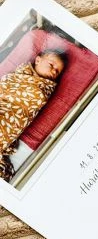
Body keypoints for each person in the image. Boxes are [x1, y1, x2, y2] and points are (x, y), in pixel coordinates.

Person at [0, 49, 66, 180]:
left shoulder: (43, 88)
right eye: (51, 65)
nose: (54, 72)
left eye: (57, 71)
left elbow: (37, 98)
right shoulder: (18, 74)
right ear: (38, 60)